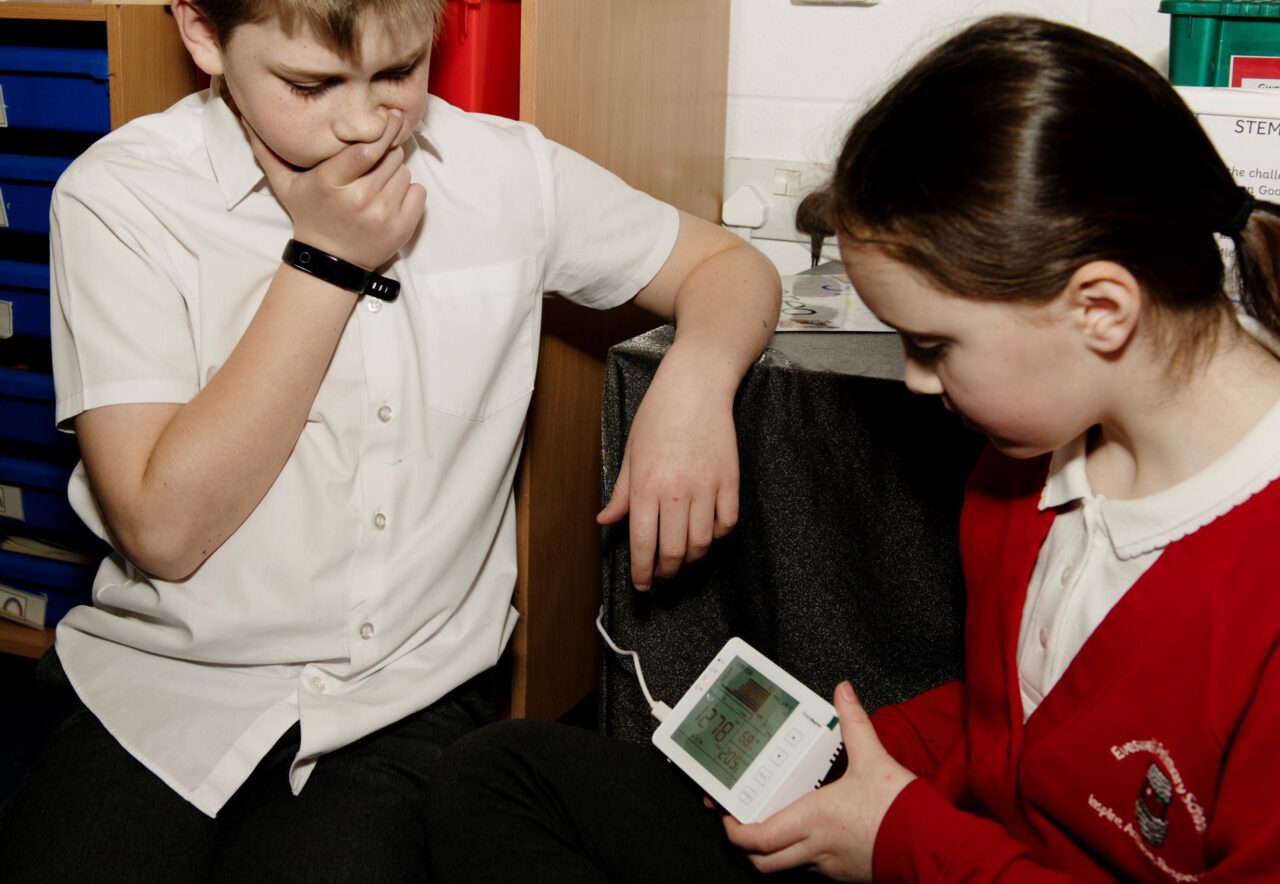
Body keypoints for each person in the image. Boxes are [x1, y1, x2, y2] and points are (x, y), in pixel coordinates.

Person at [419, 14, 1280, 882]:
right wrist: (850, 758)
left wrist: (902, 837)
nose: (914, 381)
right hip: (944, 847)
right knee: (497, 778)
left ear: (1101, 309)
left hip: (936, 857)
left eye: (935, 346)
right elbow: (1013, 725)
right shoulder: (1030, 462)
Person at [0, 0, 782, 877]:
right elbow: (165, 532)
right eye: (310, 84)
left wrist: (693, 385)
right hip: (166, 685)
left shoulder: (504, 173)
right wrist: (328, 262)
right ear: (203, 35)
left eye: (400, 73)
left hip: (406, 694)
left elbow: (731, 267)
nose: (367, 121)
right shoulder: (122, 195)